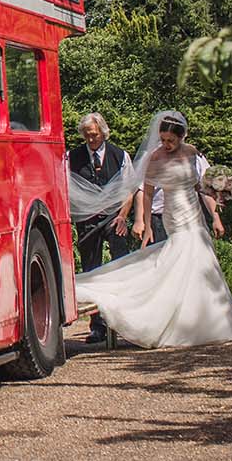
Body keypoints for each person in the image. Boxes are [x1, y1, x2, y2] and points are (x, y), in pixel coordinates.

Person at [75, 110, 232, 348]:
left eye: (171, 140)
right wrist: (146, 224)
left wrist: (216, 216)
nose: (166, 144)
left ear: (182, 137)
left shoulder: (192, 153)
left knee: (203, 263)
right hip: (174, 216)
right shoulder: (155, 157)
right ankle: (174, 321)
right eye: (163, 139)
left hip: (194, 214)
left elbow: (202, 188)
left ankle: (211, 321)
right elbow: (147, 193)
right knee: (180, 258)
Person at [68, 113, 134, 342]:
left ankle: (125, 320)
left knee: (121, 263)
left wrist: (123, 217)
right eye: (87, 136)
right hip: (87, 220)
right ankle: (97, 326)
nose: (91, 139)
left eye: (94, 135)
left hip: (114, 217)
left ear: (103, 133)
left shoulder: (120, 156)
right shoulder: (72, 157)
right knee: (91, 269)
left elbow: (129, 189)